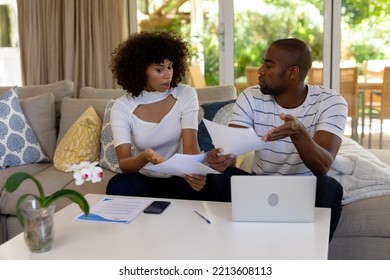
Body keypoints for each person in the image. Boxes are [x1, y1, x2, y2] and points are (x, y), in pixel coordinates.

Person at [206, 38, 347, 241]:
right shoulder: (251, 96)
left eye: (269, 65)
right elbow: (232, 146)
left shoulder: (331, 102)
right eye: (263, 63)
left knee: (330, 187)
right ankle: (226, 245)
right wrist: (223, 157)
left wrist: (299, 133)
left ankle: (311, 258)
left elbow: (323, 166)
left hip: (305, 187)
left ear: (292, 73)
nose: (260, 70)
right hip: (258, 184)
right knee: (217, 177)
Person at [106, 31, 209, 200]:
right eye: (159, 69)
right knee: (117, 185)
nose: (168, 74)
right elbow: (124, 164)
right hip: (144, 180)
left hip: (178, 177)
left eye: (170, 66)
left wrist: (194, 173)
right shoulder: (122, 106)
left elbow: (191, 145)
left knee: (213, 183)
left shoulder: (185, 94)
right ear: (140, 70)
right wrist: (145, 156)